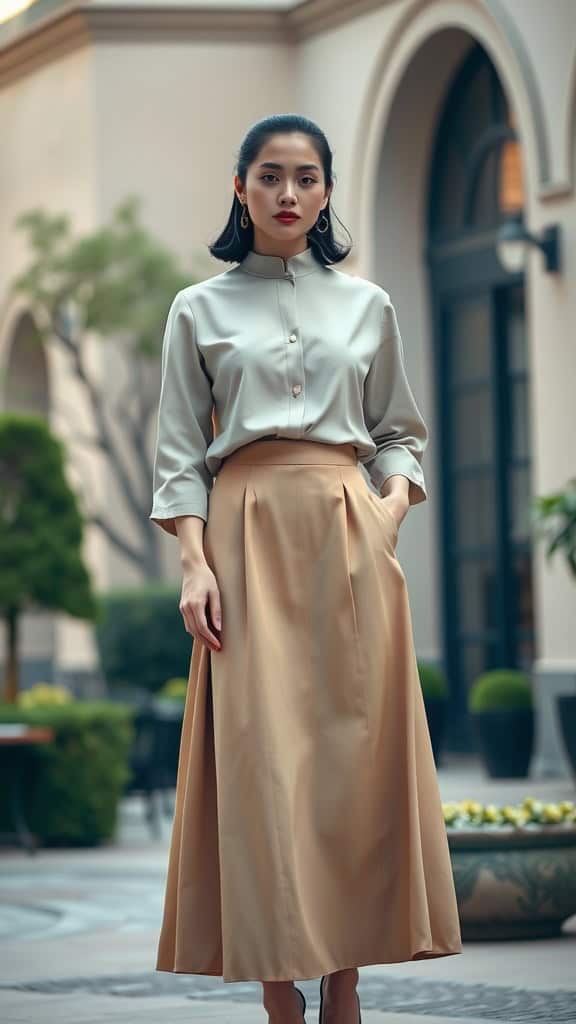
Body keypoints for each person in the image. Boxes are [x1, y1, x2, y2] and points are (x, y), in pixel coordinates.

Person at [149, 113, 462, 1024]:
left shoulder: (368, 305)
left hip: (349, 539)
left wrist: (386, 511)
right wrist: (194, 564)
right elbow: (178, 454)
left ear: (327, 194)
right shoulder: (196, 309)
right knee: (263, 769)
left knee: (353, 765)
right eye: (272, 176)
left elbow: (400, 433)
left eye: (308, 179)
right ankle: (280, 987)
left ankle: (349, 978)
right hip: (242, 545)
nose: (290, 195)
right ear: (240, 186)